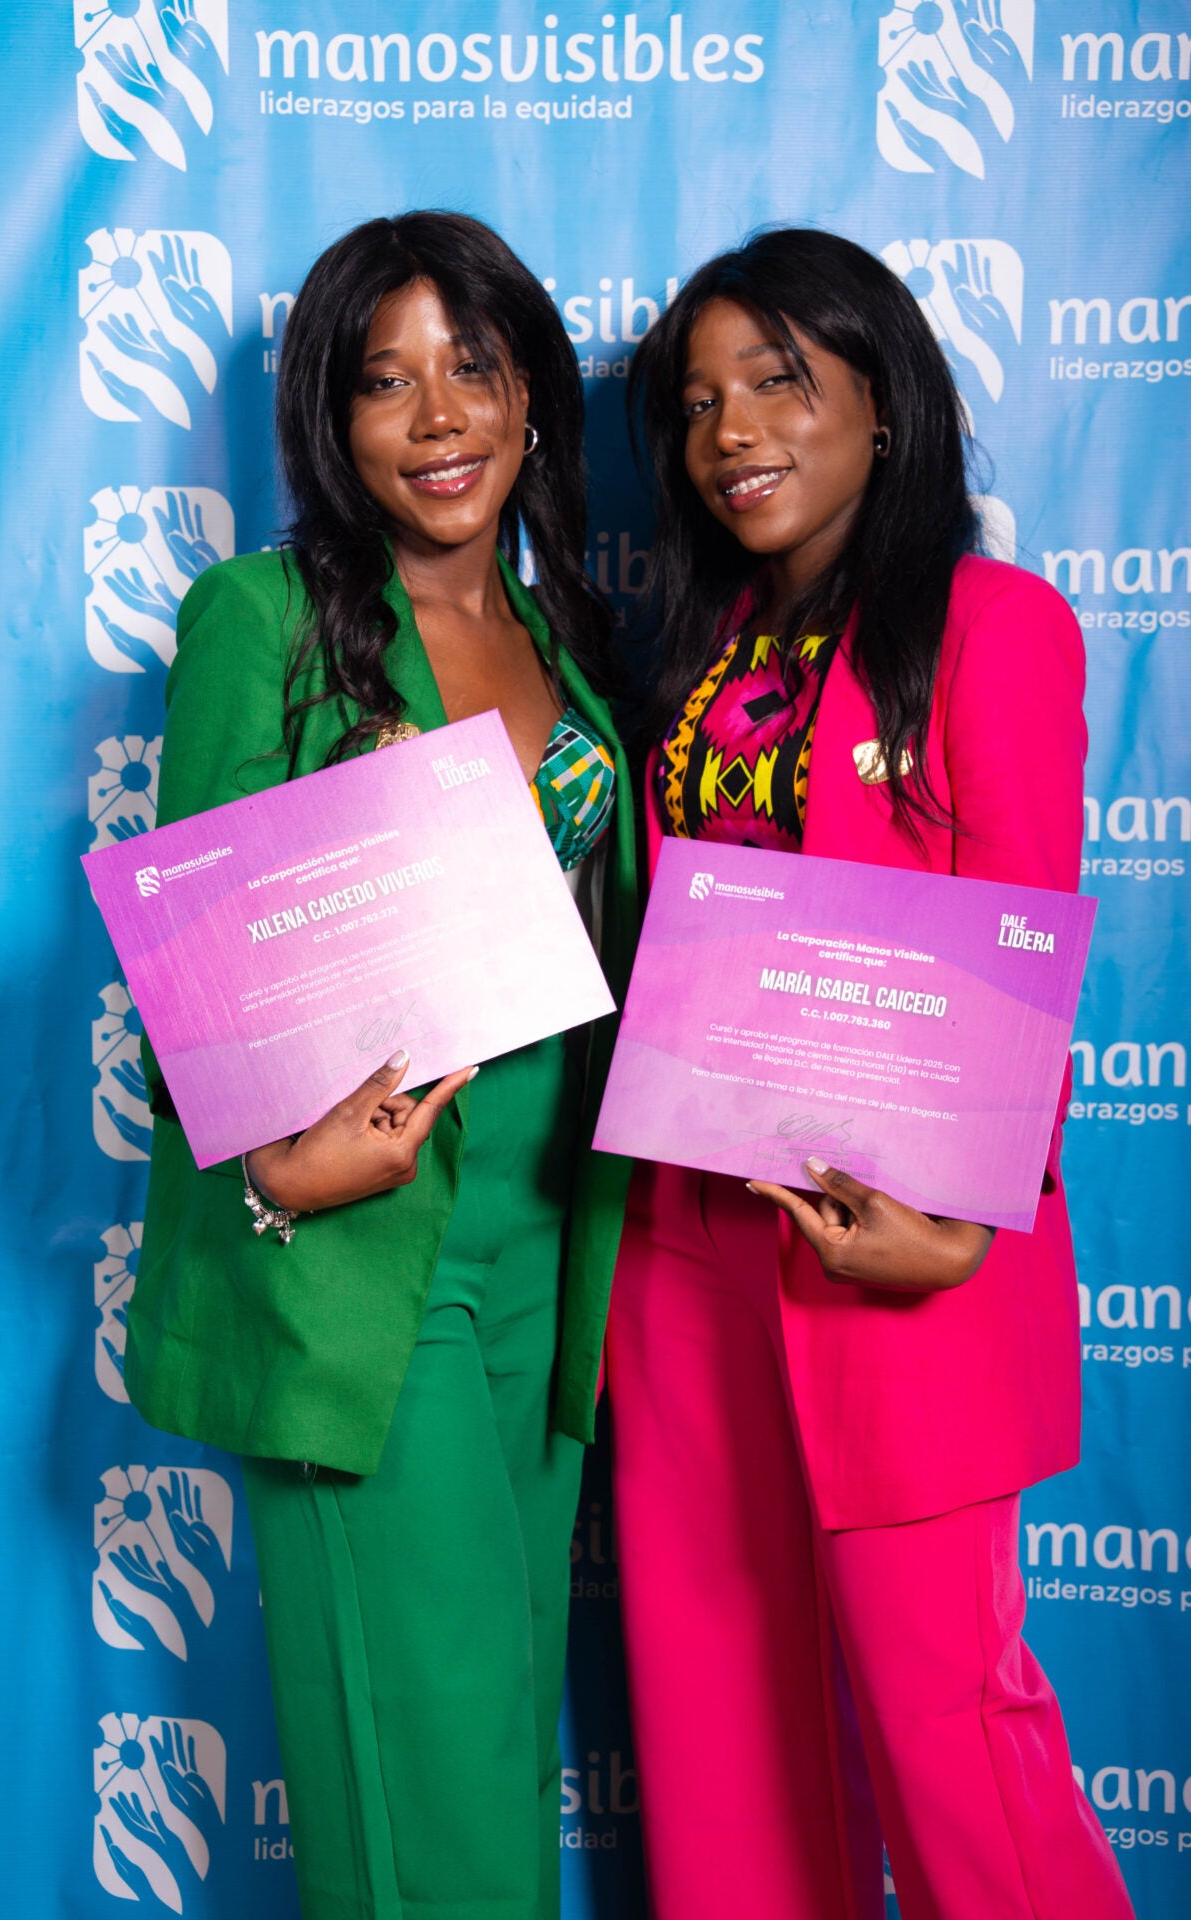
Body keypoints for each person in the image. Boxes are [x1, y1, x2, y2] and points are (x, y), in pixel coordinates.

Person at [606, 227, 1134, 1920]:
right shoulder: (700, 647)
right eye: (700, 403)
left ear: (884, 401)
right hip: (688, 1240)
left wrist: (962, 1221)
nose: (732, 432)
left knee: (946, 1726)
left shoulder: (991, 625)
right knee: (722, 1733)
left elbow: (1026, 936)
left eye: (778, 381)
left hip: (896, 1236)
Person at [123, 211, 637, 1920]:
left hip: (547, 1241)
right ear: (329, 423)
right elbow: (189, 959)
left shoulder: (571, 646)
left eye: (472, 367)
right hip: (365, 1255)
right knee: (429, 1768)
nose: (437, 417)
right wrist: (276, 1171)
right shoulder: (262, 617)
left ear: (533, 393)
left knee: (499, 1728)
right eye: (383, 381)